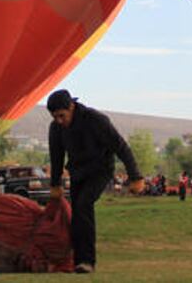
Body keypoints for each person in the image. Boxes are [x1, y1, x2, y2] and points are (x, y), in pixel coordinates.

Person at [47, 89, 143, 274]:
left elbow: (121, 147)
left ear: (71, 107)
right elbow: (56, 157)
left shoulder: (95, 120)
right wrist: (55, 184)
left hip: (100, 170)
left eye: (62, 115)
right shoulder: (56, 128)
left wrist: (135, 177)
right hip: (78, 172)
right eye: (55, 117)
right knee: (77, 216)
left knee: (83, 205)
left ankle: (87, 262)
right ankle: (76, 261)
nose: (59, 121)